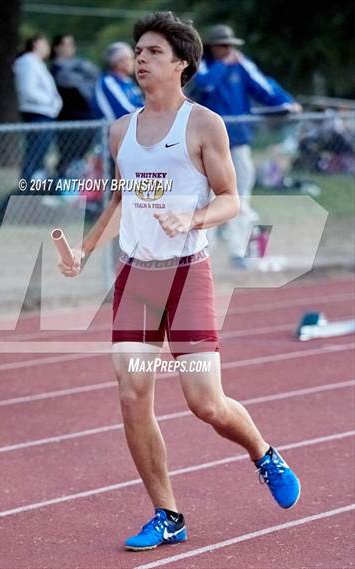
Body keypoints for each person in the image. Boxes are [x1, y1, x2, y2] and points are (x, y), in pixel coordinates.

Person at [58, 11, 301, 552]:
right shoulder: (121, 129)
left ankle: (262, 451)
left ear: (182, 64)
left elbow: (231, 198)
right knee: (131, 393)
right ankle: (167, 513)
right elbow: (121, 199)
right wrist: (85, 249)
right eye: (137, 51)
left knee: (204, 403)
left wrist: (189, 219)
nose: (139, 60)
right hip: (137, 280)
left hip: (187, 275)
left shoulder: (204, 125)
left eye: (151, 53)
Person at [192, 24, 301, 269]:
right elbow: (205, 85)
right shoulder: (204, 64)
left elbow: (264, 86)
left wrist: (286, 102)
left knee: (241, 195)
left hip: (238, 141)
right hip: (209, 146)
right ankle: (202, 255)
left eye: (231, 45)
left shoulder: (242, 64)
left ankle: (243, 253)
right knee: (207, 197)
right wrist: (223, 65)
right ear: (212, 47)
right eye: (223, 45)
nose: (229, 50)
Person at [13, 34, 62, 181]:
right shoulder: (27, 62)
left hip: (46, 113)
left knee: (42, 151)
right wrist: (49, 102)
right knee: (35, 151)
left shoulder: (37, 63)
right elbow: (28, 90)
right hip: (37, 113)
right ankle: (27, 184)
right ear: (35, 44)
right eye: (44, 44)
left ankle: (36, 183)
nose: (48, 48)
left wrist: (55, 103)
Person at [50, 34, 99, 176]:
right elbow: (73, 87)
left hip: (88, 120)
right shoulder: (56, 70)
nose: (69, 48)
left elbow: (94, 76)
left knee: (83, 159)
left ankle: (77, 191)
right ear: (57, 48)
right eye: (65, 45)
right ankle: (60, 186)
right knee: (68, 157)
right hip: (68, 122)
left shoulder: (81, 66)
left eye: (71, 44)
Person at [93, 42, 144, 120]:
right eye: (130, 58)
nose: (133, 62)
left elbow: (141, 104)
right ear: (118, 62)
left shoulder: (128, 81)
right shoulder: (109, 82)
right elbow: (125, 112)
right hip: (112, 129)